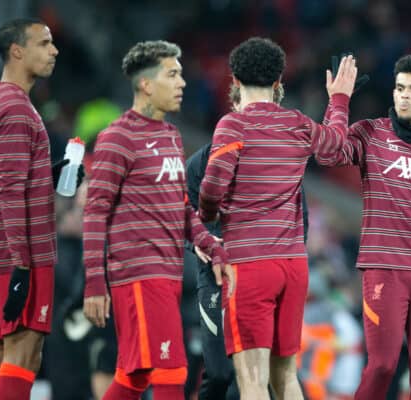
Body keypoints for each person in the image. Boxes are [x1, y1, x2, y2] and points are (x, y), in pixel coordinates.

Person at [198, 37, 357, 400]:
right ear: (278, 82)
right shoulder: (298, 123)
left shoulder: (232, 126)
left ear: (234, 81)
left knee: (252, 378)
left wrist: (207, 218)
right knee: (285, 377)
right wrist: (339, 99)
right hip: (294, 266)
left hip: (251, 265)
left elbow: (211, 191)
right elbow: (335, 147)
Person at [316, 54, 411, 399]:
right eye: (400, 88)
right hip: (384, 269)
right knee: (384, 365)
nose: (404, 95)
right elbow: (327, 155)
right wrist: (339, 100)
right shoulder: (370, 133)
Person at [82, 40, 233, 400]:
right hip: (137, 273)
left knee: (134, 377)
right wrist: (93, 283)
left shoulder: (170, 135)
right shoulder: (117, 137)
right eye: (173, 74)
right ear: (147, 84)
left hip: (166, 273)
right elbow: (95, 210)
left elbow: (180, 207)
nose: (182, 83)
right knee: (171, 373)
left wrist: (210, 245)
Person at [0, 18, 65, 400]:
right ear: (17, 51)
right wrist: (21, 263)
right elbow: (10, 188)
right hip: (21, 254)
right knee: (24, 351)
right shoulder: (17, 109)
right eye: (44, 44)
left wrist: (48, 176)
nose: (54, 51)